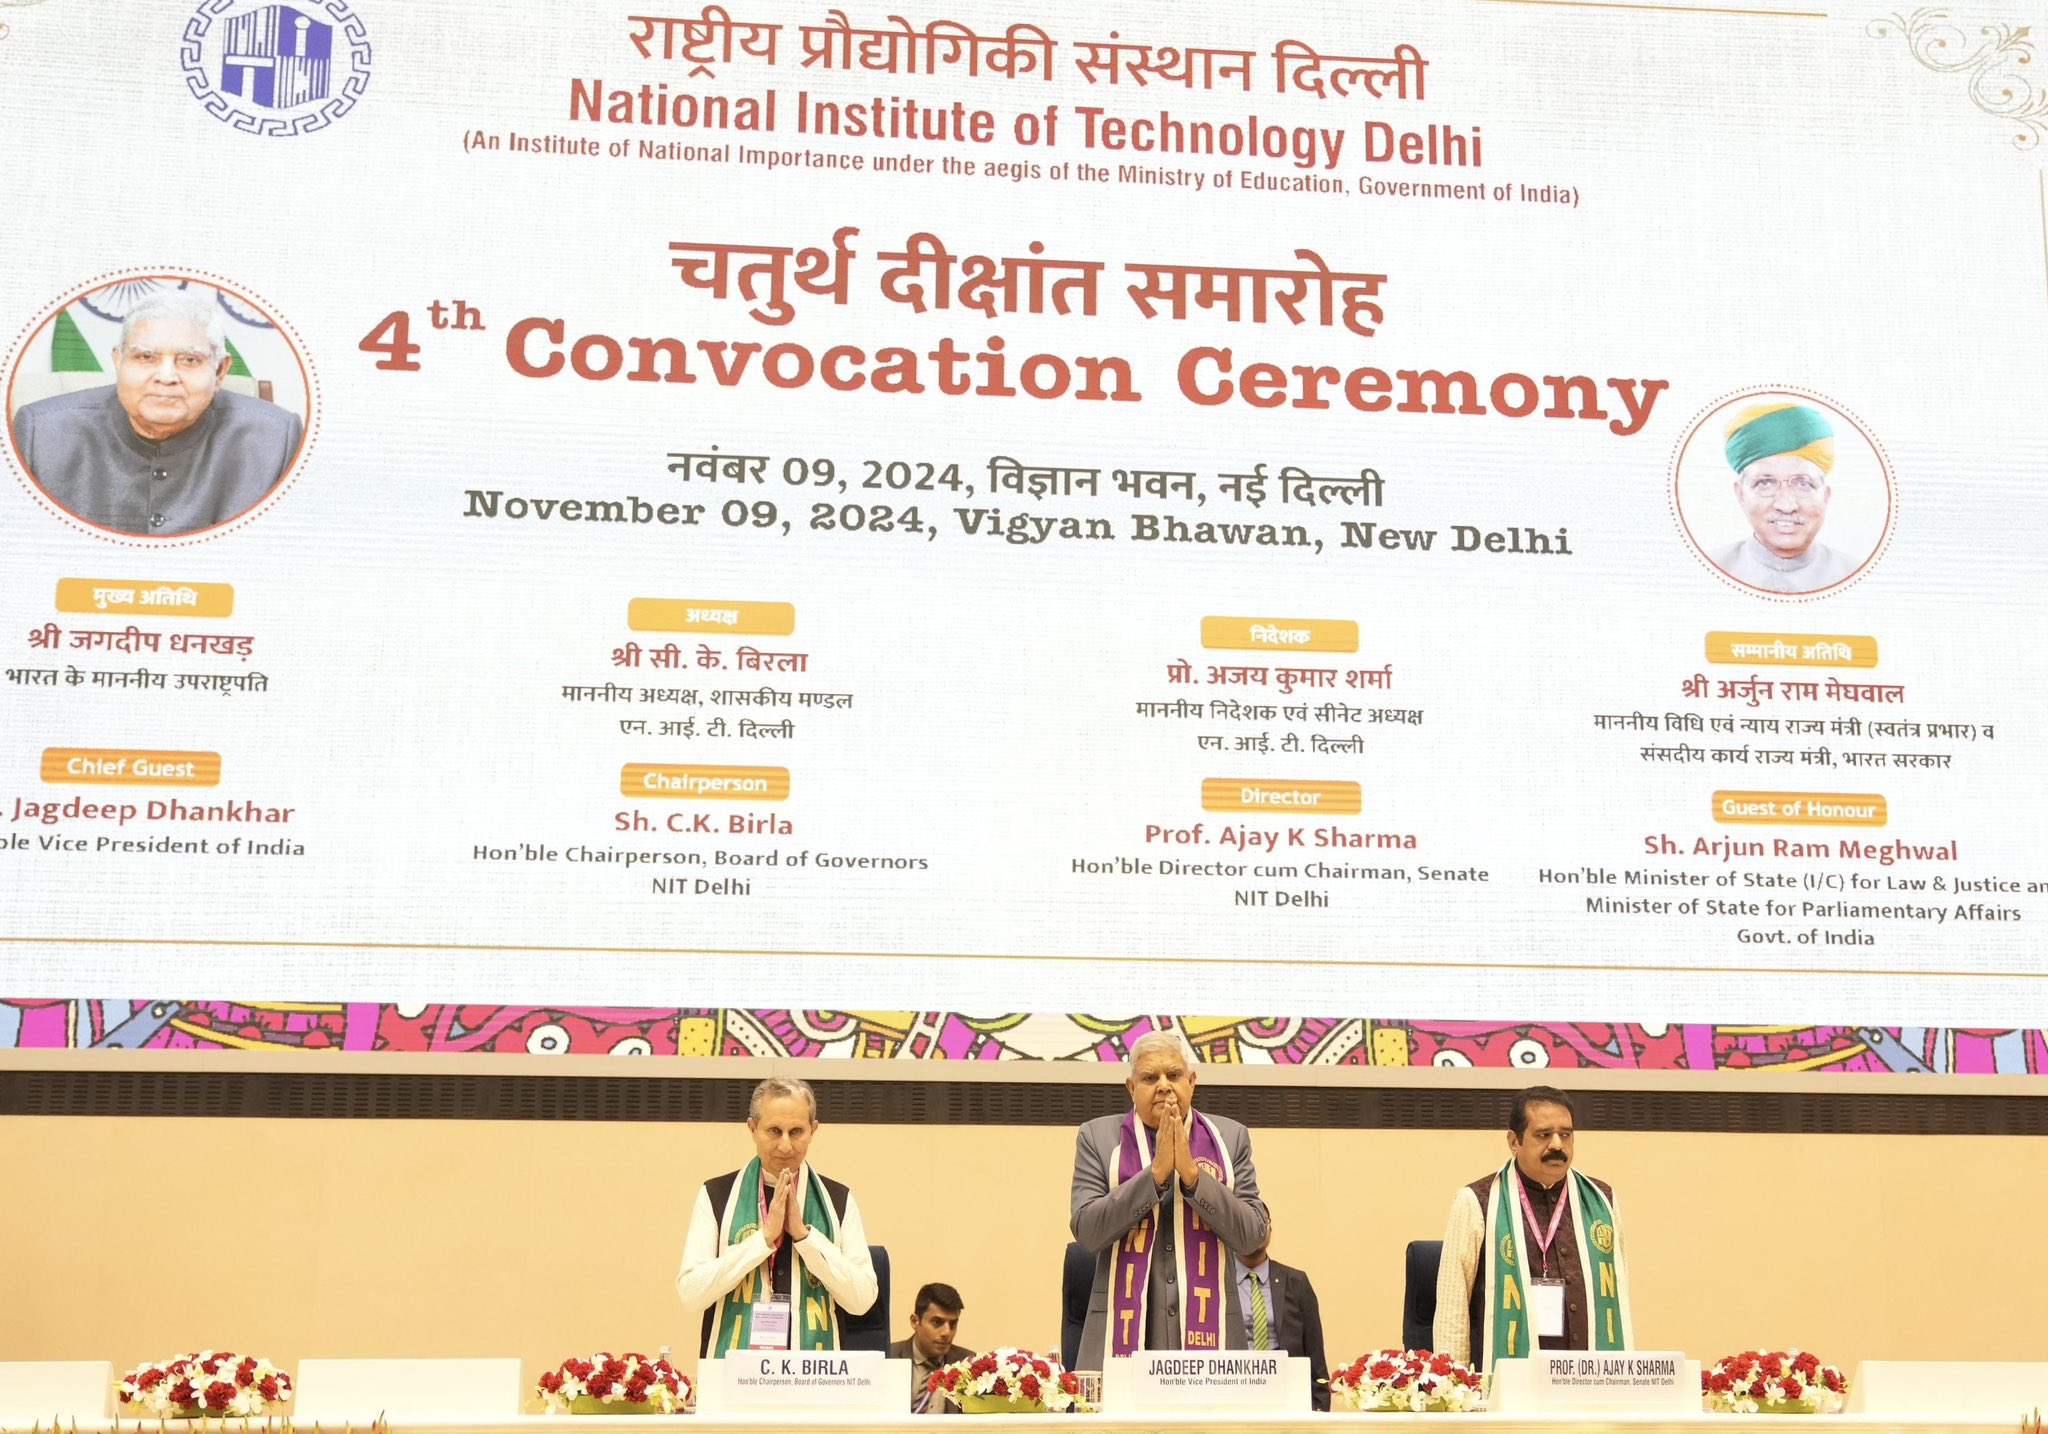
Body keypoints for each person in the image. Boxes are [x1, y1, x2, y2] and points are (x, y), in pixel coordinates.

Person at [10, 289, 302, 535]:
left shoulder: (276, 440)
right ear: (119, 360)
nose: (166, 376)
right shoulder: (41, 434)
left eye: (189, 360)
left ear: (221, 370)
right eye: (145, 357)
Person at [1069, 1029, 1270, 1369]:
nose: (1164, 1085)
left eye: (1174, 1075)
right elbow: (1087, 1231)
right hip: (1123, 1339)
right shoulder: (1097, 1137)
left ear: (1192, 1081)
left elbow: (1253, 1236)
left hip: (1213, 1341)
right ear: (1131, 1088)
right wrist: (1155, 1175)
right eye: (1150, 1077)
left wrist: (1193, 1178)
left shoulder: (1230, 1137)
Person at [1432, 1085, 1632, 1371]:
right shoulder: (1476, 1201)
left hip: (1590, 1381)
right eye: (1543, 1135)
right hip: (1512, 1386)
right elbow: (1453, 1308)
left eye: (1566, 1134)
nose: (1557, 1145)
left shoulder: (1603, 1200)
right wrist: (1455, 1384)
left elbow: (1618, 1297)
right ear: (1514, 1141)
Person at [676, 1076, 878, 1356]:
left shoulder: (838, 1199)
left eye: (796, 1131)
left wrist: (805, 1238)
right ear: (752, 1128)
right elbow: (691, 1294)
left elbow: (862, 1300)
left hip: (813, 1378)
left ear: (813, 1130)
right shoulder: (716, 1195)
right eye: (774, 1131)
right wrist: (763, 1240)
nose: (785, 1145)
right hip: (735, 1379)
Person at [1709, 402, 1859, 593]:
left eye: (1803, 484)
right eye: (1765, 483)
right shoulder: (1708, 571)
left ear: (1826, 496)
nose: (1786, 505)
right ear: (1740, 494)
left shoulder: (1856, 575)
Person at [1236, 1215, 1329, 1411]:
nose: (1257, 1230)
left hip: (1288, 1398)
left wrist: (1319, 1411)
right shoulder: (1217, 1281)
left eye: (1262, 1222)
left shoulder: (1296, 1281)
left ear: (1271, 1229)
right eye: (1248, 1223)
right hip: (1235, 1396)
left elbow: (1315, 1353)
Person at [889, 1281, 975, 1413]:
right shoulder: (888, 1358)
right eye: (937, 1322)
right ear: (915, 1321)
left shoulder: (968, 1365)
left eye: (952, 1324)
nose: (946, 1332)